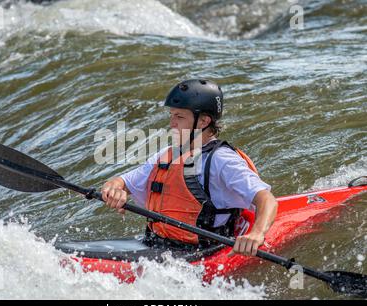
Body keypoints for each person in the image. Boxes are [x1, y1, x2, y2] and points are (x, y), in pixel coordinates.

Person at [101, 79, 278, 256]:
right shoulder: (168, 154)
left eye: (179, 117)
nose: (172, 124)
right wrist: (115, 190)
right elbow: (121, 182)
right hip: (155, 245)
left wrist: (257, 234)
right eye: (171, 115)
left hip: (202, 253)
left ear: (203, 121)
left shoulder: (221, 160)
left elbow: (266, 199)